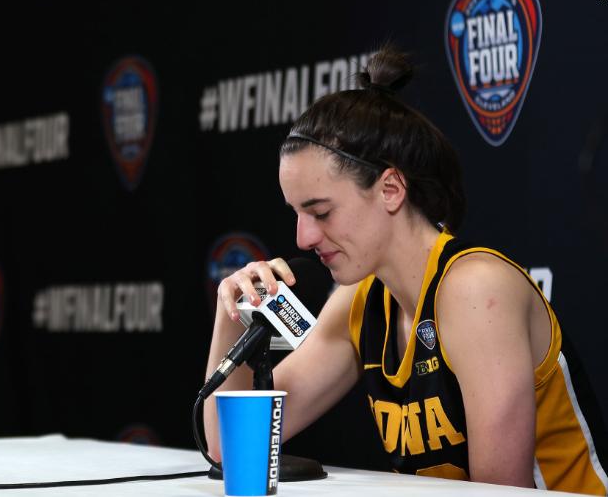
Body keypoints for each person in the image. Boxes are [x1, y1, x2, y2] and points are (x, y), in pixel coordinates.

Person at [203, 46, 607, 495]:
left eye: (321, 212)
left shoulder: (475, 290)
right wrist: (235, 313)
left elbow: (501, 494)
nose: (303, 238)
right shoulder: (361, 300)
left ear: (391, 189)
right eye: (297, 213)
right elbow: (228, 449)